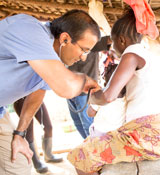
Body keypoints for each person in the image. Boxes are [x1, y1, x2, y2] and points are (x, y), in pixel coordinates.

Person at [67, 8, 160, 175]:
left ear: (122, 40)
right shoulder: (150, 56)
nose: (112, 47)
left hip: (144, 134)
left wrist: (92, 97)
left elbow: (108, 96)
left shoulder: (131, 54)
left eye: (113, 41)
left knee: (80, 156)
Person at [0, 9, 101, 174]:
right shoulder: (27, 28)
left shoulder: (54, 58)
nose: (84, 57)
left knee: (18, 166)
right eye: (84, 50)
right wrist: (84, 80)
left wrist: (19, 134)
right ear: (65, 38)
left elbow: (38, 93)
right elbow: (65, 87)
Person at [67, 36, 111, 139]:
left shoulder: (91, 40)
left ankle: (94, 150)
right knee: (78, 123)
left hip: (85, 93)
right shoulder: (69, 41)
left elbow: (110, 39)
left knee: (88, 125)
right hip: (70, 90)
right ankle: (90, 148)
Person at [14, 98, 63, 173]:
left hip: (36, 97)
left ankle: (48, 155)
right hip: (21, 100)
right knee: (29, 132)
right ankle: (36, 162)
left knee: (48, 127)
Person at [87, 56, 126, 138]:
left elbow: (90, 113)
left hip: (99, 133)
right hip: (117, 135)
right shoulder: (126, 98)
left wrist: (91, 100)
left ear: (105, 80)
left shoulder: (101, 96)